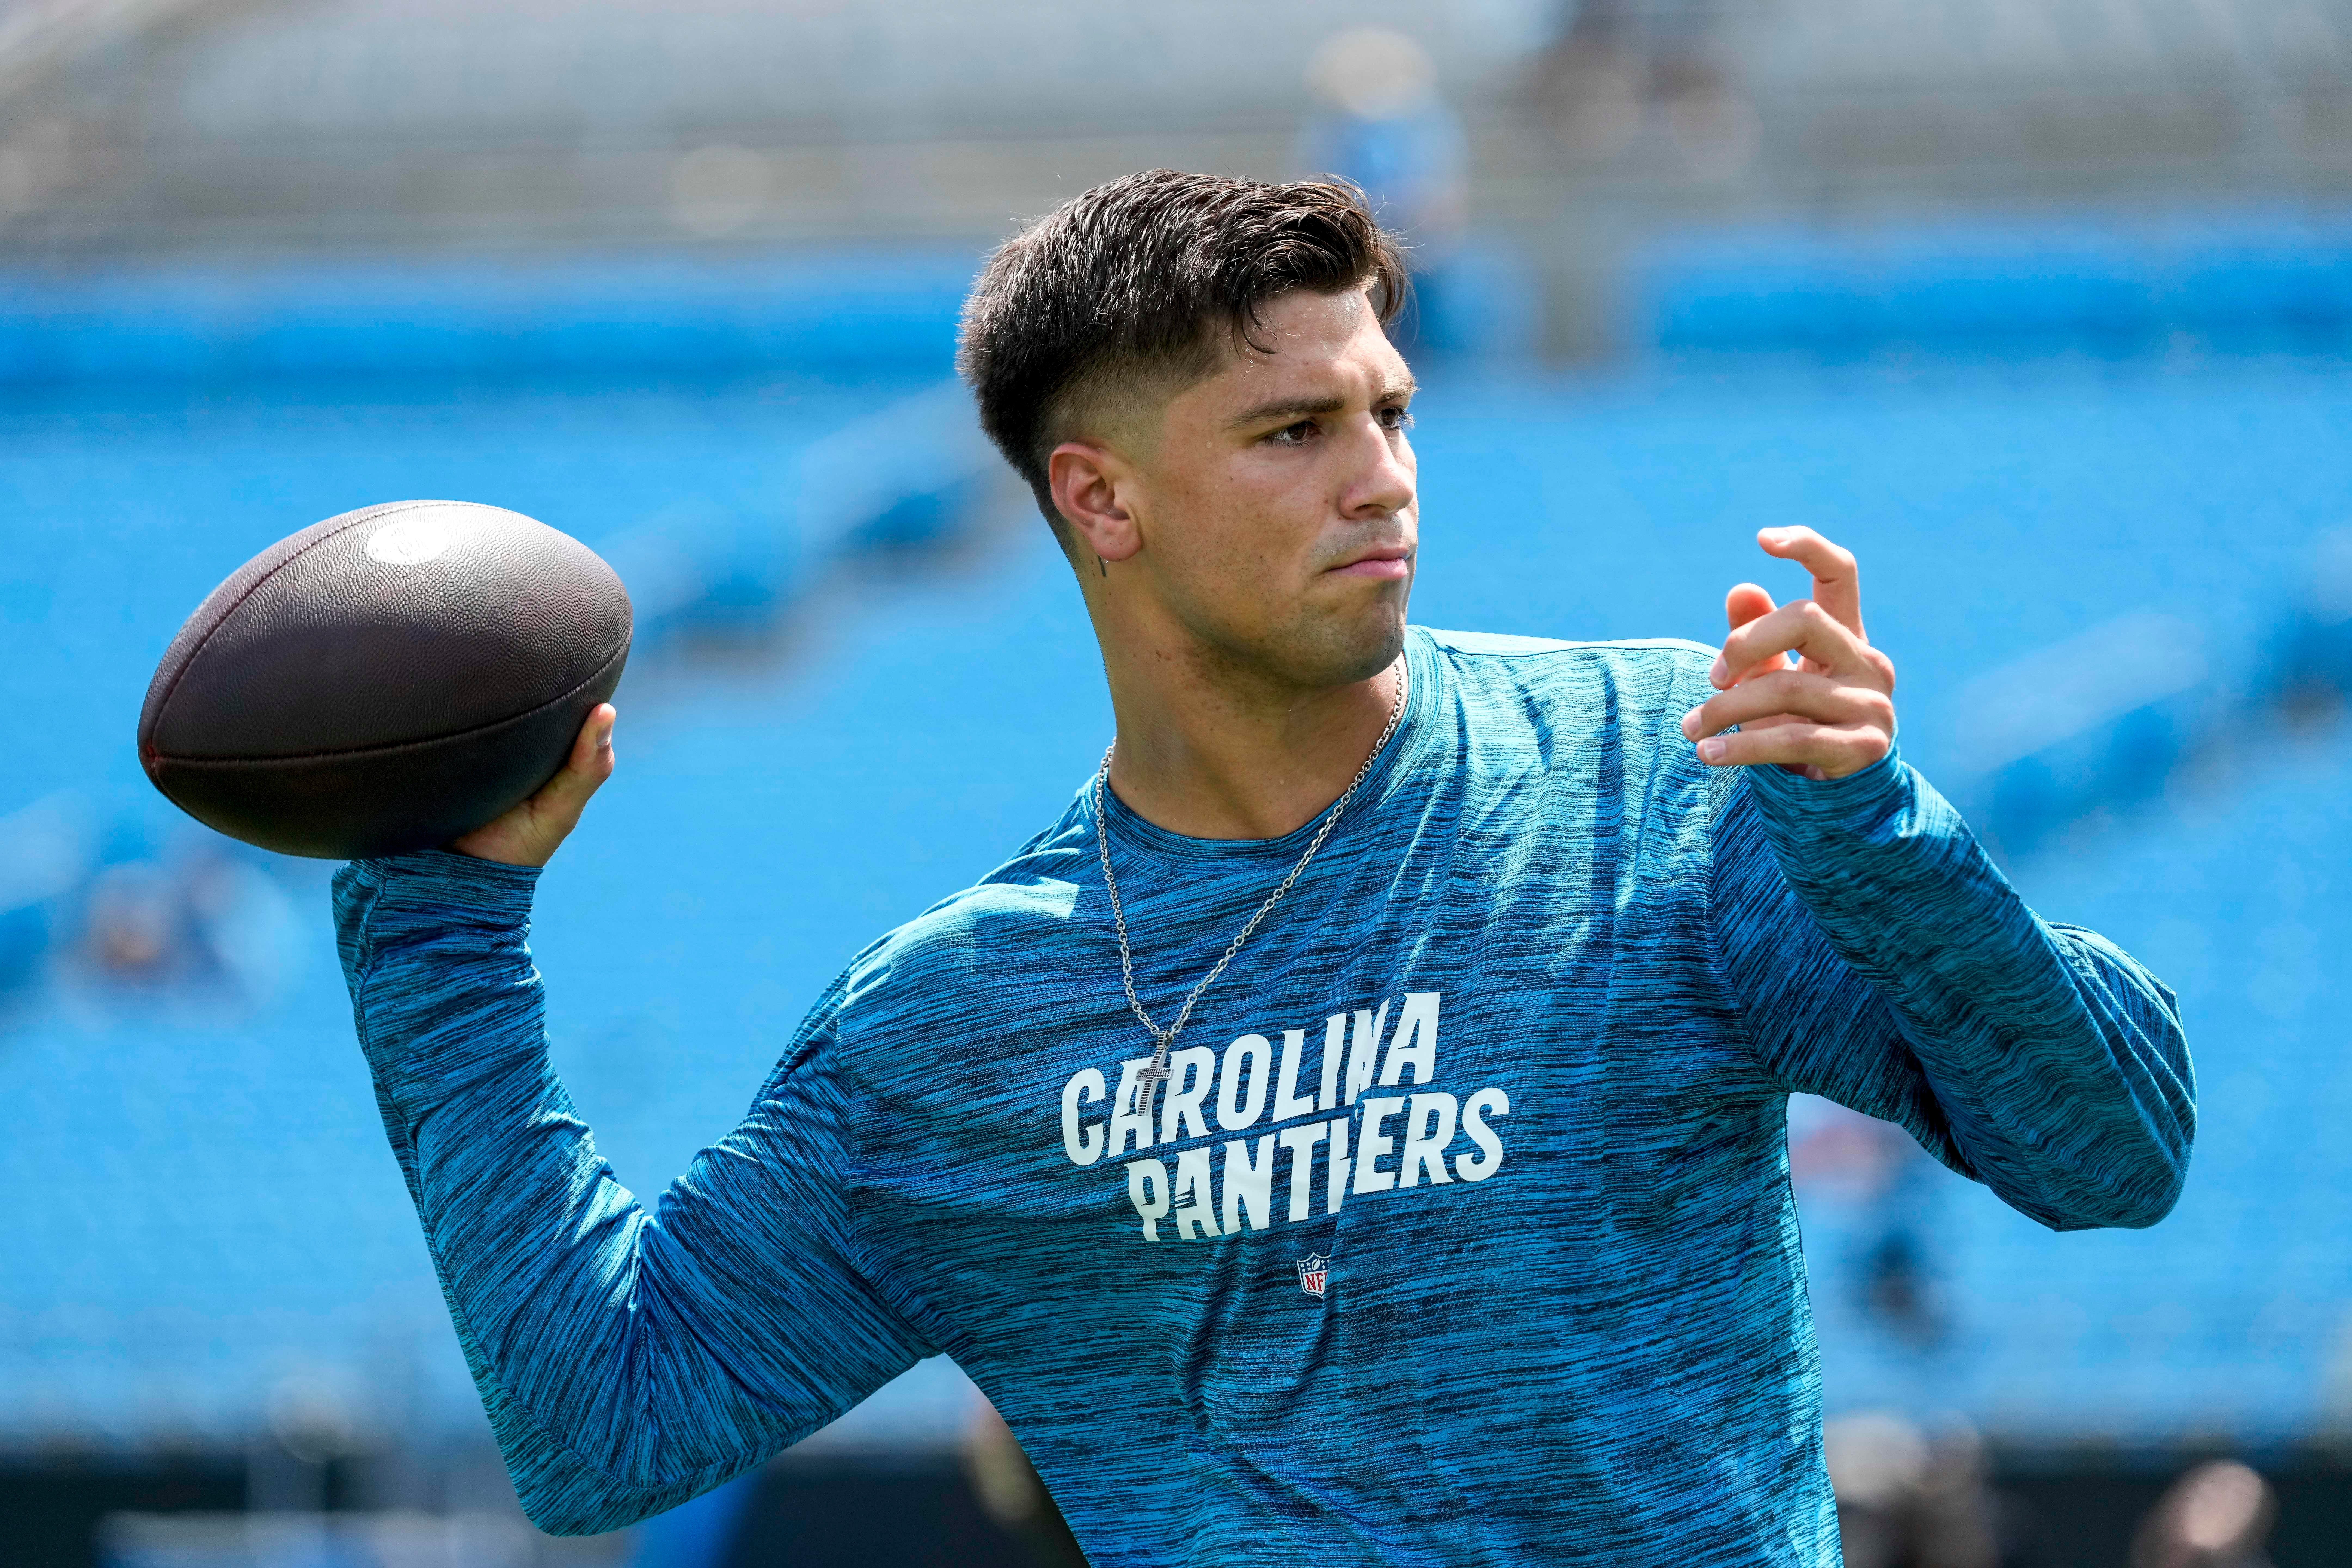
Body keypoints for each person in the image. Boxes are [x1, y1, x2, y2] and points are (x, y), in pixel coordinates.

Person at [331, 170, 2194, 1565]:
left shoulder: (1666, 771)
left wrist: (1884, 832)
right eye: (1294, 433)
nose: (1378, 475)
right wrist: (437, 925)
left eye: (1389, 410)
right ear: (1102, 500)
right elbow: (602, 1425)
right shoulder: (955, 1021)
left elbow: (2117, 1155)